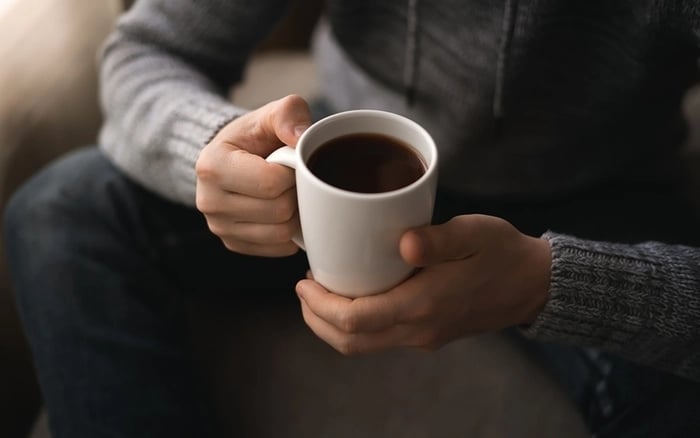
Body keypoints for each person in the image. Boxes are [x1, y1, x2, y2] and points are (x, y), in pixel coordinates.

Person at [5, 0, 700, 436]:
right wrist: (206, 149)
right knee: (58, 209)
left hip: (605, 193)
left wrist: (552, 284)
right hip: (335, 149)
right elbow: (148, 50)